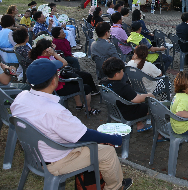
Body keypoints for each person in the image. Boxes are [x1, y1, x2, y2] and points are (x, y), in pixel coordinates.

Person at [10, 58, 132, 190]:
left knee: (97, 144)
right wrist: (114, 139)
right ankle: (115, 187)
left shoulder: (21, 97)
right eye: (57, 73)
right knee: (107, 152)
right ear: (53, 81)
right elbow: (83, 135)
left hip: (33, 153)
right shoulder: (55, 111)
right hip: (54, 160)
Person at [30, 38, 100, 115]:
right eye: (50, 47)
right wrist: (54, 53)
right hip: (59, 87)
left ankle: (79, 105)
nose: (52, 48)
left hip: (55, 82)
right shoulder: (47, 62)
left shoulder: (39, 59)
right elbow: (64, 63)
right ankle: (89, 110)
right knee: (86, 87)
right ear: (45, 51)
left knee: (76, 80)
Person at [101, 57, 153, 132]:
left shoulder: (102, 82)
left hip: (114, 109)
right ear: (116, 74)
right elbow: (137, 99)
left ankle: (140, 124)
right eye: (122, 71)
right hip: (126, 113)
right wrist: (150, 95)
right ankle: (159, 133)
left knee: (134, 101)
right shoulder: (123, 87)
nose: (123, 73)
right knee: (151, 106)